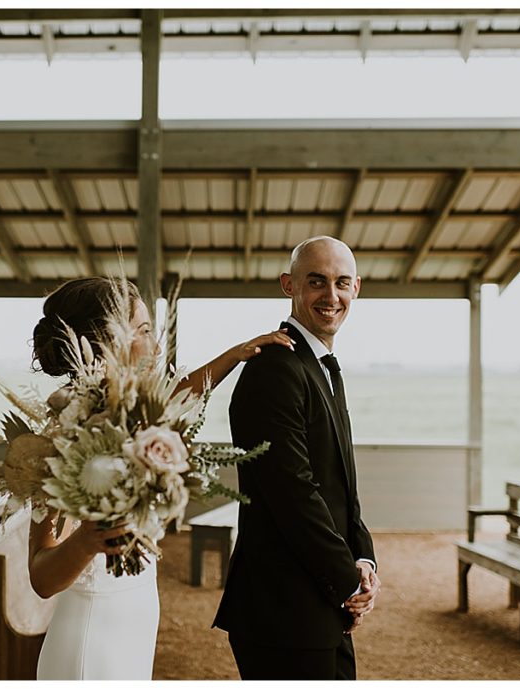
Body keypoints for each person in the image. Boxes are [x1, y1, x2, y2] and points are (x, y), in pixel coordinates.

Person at [27, 276, 293, 680]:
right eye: (145, 331)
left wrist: (237, 354)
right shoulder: (58, 437)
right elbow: (42, 577)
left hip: (138, 616)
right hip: (91, 634)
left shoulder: (132, 414)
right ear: (106, 339)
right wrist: (87, 540)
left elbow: (181, 394)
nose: (154, 345)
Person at [213, 236, 380, 680]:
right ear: (289, 285)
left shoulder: (319, 364)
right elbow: (293, 492)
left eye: (342, 283)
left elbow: (340, 481)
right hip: (282, 612)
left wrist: (364, 559)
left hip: (320, 607)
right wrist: (347, 582)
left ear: (357, 288)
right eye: (317, 281)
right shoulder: (275, 368)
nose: (332, 296)